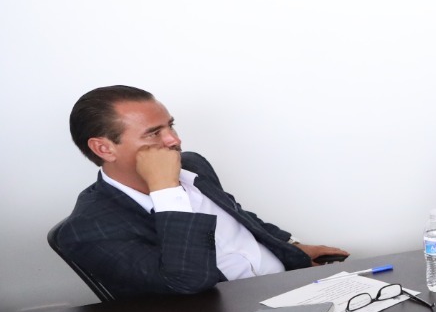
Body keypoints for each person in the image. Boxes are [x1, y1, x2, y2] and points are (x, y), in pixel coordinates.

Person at [57, 86, 348, 299]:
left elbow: (237, 216)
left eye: (170, 126)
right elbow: (186, 283)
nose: (174, 140)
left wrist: (290, 245)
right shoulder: (88, 230)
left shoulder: (192, 165)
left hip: (288, 287)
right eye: (154, 133)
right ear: (104, 148)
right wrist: (166, 190)